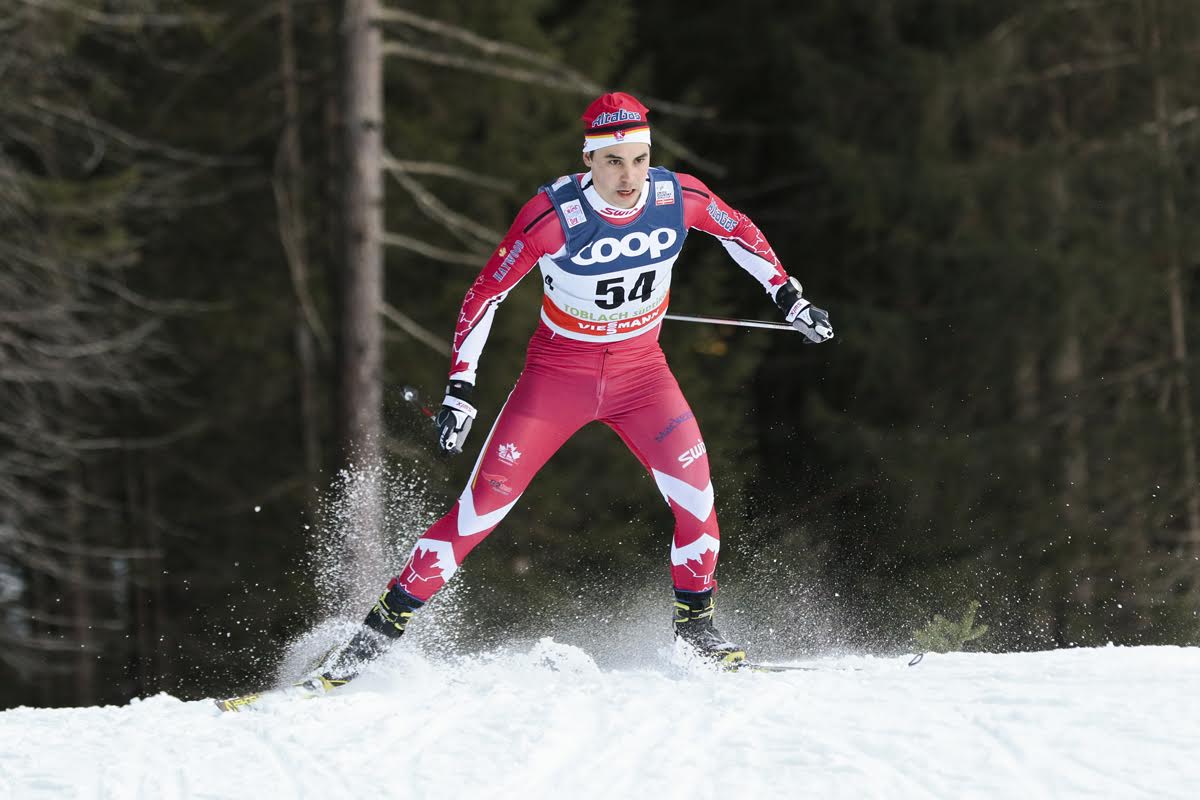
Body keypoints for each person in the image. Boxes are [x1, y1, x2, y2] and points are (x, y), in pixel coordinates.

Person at [313, 91, 832, 688]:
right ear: (589, 160)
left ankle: (697, 631)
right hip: (559, 376)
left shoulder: (676, 197)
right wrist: (461, 389)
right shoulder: (552, 216)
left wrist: (789, 296)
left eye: (638, 158)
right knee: (481, 509)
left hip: (643, 376)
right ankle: (371, 639)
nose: (628, 176)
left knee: (698, 503)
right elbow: (485, 295)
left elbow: (739, 233)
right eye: (613, 161)